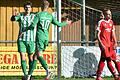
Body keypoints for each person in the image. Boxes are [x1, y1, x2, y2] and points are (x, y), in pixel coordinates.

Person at [23, 0, 72, 80]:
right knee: (35, 57)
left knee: (39, 55)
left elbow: (32, 26)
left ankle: (48, 71)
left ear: (41, 6)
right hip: (46, 38)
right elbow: (58, 24)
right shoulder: (50, 16)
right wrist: (66, 23)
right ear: (48, 7)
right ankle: (28, 76)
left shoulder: (39, 15)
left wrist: (25, 29)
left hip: (40, 38)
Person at [11, 1, 36, 79]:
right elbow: (13, 19)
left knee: (31, 58)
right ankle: (25, 74)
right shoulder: (21, 15)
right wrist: (13, 16)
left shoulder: (34, 16)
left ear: (31, 8)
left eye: (29, 7)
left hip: (31, 40)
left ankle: (29, 75)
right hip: (21, 39)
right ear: (24, 8)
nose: (27, 9)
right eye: (26, 7)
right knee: (22, 56)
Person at [96, 8, 120, 80]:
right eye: (108, 14)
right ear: (104, 15)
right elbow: (97, 35)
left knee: (107, 59)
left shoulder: (111, 22)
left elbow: (113, 33)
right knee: (109, 59)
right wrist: (101, 44)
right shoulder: (101, 22)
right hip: (104, 44)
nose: (110, 15)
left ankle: (99, 76)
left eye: (110, 14)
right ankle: (115, 75)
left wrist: (115, 42)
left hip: (111, 44)